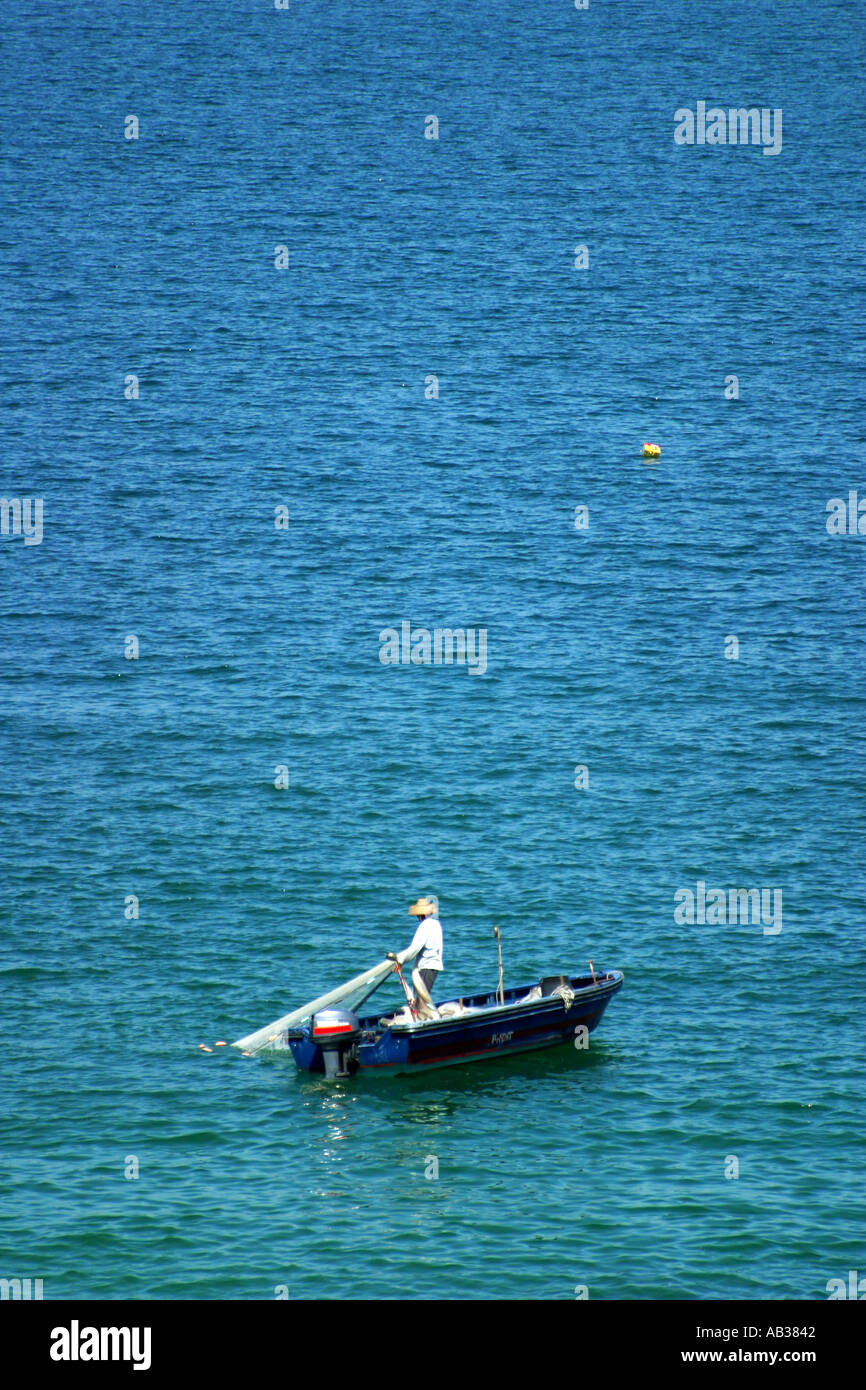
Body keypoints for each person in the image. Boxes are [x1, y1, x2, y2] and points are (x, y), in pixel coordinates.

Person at [395, 897, 443, 1020]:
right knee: (422, 999)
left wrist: (400, 960)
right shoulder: (436, 924)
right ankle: (423, 1018)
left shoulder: (424, 926)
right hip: (434, 965)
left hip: (427, 966)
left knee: (422, 1001)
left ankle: (425, 1020)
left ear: (419, 915)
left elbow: (415, 948)